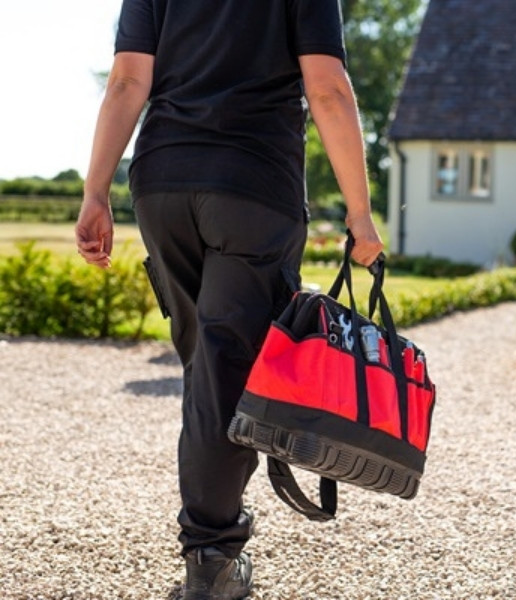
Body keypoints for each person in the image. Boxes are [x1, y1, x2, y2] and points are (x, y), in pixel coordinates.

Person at [75, 0, 383, 597]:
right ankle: (212, 554)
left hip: (164, 183)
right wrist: (361, 212)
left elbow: (127, 79)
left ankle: (212, 542)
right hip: (252, 186)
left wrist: (95, 191)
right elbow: (327, 90)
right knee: (226, 372)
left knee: (208, 368)